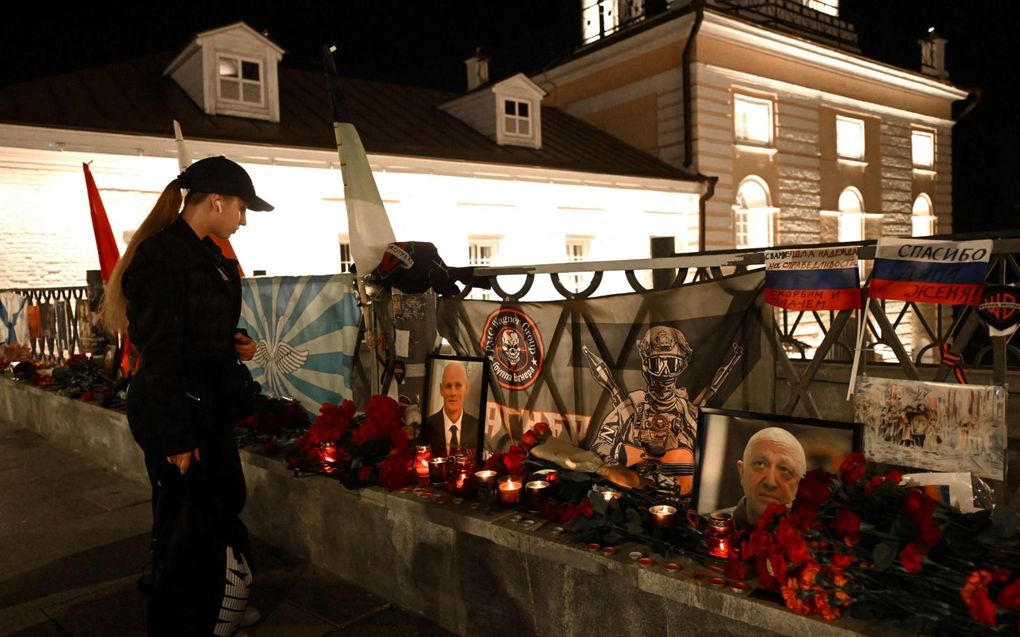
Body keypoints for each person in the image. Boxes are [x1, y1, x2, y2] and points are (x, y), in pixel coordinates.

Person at [100, 156, 273, 637]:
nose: (243, 218)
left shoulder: (199, 254)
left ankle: (216, 603)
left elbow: (192, 328)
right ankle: (183, 619)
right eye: (240, 207)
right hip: (177, 415)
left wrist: (230, 340)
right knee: (185, 525)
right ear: (215, 200)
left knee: (210, 510)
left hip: (201, 407)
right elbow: (160, 356)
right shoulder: (164, 258)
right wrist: (177, 438)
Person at [725, 427, 807, 530]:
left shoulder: (813, 543)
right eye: (760, 464)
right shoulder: (705, 530)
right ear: (742, 472)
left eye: (784, 470)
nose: (770, 482)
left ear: (799, 487)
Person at [420, 361, 478, 457]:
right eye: (448, 386)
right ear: (441, 389)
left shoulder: (477, 426)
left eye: (458, 385)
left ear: (466, 388)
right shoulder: (427, 426)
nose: (453, 393)